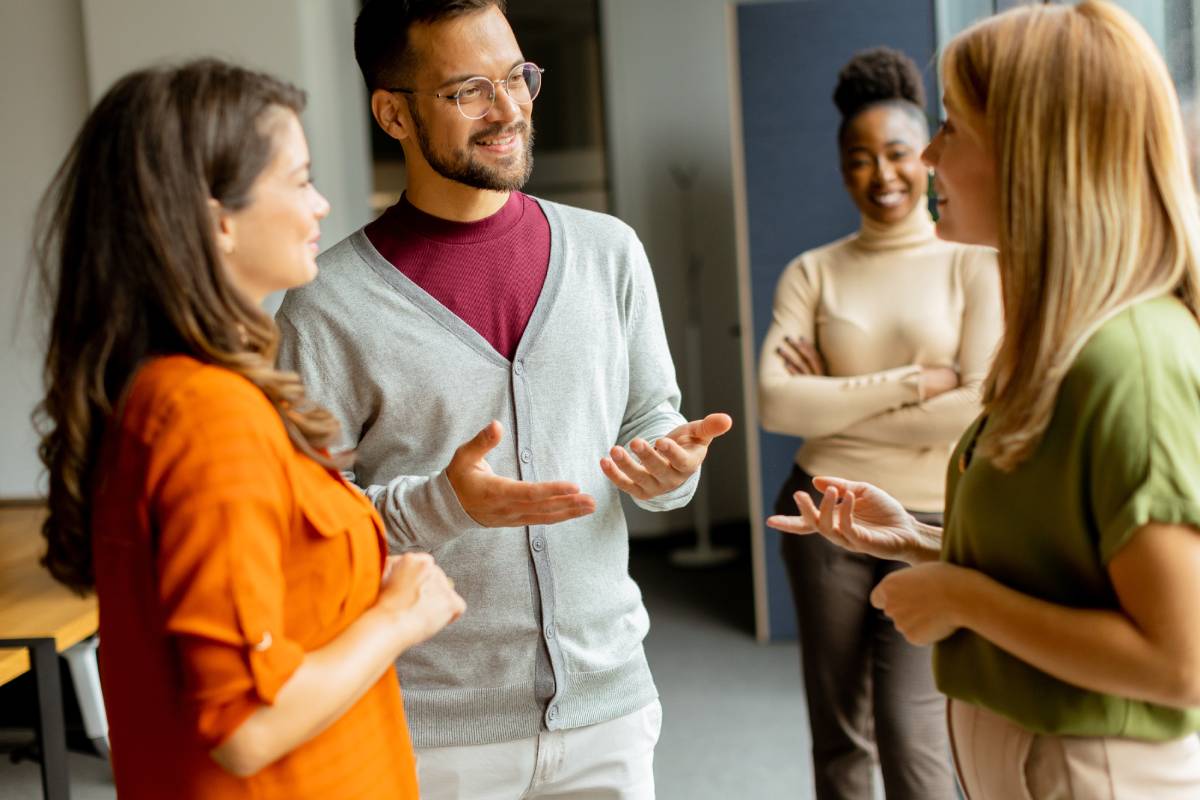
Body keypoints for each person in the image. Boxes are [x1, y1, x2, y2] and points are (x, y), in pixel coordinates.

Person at [274, 1, 731, 797]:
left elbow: (651, 416)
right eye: (469, 91)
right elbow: (310, 533)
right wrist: (446, 504)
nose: (511, 108)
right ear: (394, 113)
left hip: (610, 708)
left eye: (518, 76)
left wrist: (671, 468)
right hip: (429, 727)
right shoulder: (327, 309)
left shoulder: (609, 253)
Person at [769, 2, 1200, 797]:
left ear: (1034, 155)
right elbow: (1065, 574)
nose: (928, 157)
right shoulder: (1064, 343)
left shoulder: (1128, 360)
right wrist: (920, 543)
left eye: (951, 130)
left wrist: (961, 595)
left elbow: (1180, 663)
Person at [34, 60, 464, 799]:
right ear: (218, 219)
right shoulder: (206, 415)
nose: (322, 204)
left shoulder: (186, 396)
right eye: (299, 181)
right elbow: (245, 725)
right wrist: (397, 619)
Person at [757, 46, 1001, 800]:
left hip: (928, 520)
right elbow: (774, 404)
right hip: (820, 510)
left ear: (926, 156)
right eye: (860, 159)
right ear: (842, 169)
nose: (882, 174)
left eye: (897, 153)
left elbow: (976, 411)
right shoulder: (812, 271)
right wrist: (911, 383)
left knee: (914, 741)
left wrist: (834, 397)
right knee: (838, 736)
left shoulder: (974, 264)